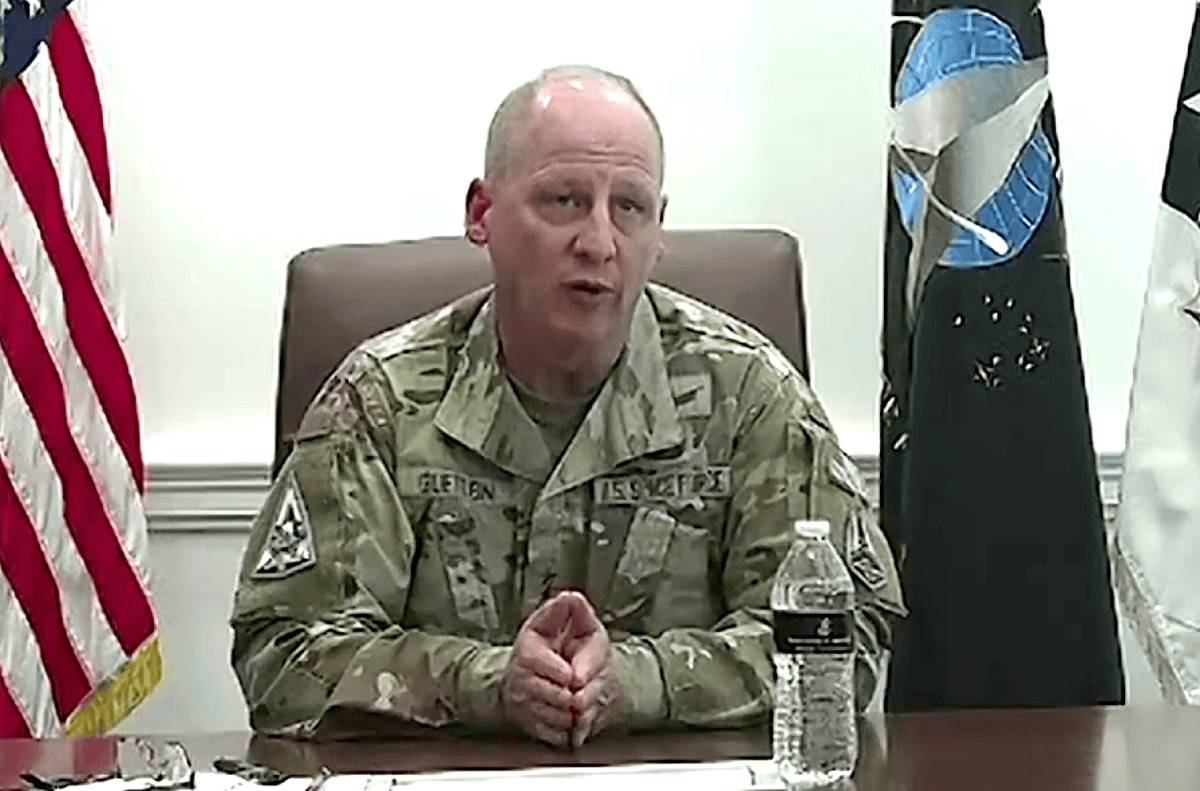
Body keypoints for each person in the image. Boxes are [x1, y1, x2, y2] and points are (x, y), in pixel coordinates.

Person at [230, 65, 904, 747]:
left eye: (630, 207)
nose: (599, 242)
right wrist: (487, 683)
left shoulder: (748, 394)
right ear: (481, 214)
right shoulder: (381, 401)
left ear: (659, 228)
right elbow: (282, 655)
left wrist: (643, 681)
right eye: (563, 200)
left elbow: (843, 639)